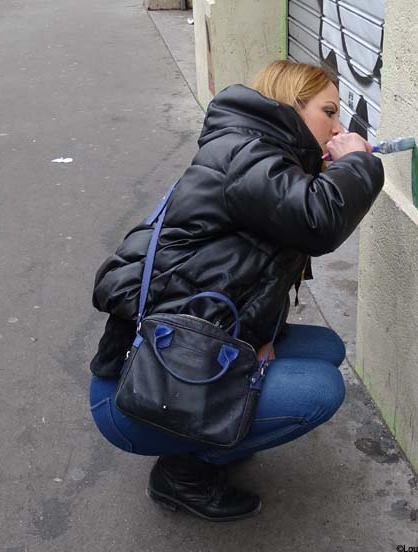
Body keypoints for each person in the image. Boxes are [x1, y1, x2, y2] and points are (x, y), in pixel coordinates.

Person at [89, 59, 384, 522]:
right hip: (134, 388)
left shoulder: (261, 153)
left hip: (170, 350)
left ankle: (216, 436)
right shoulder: (248, 157)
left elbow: (242, 277)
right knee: (321, 390)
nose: (337, 126)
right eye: (328, 112)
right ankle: (183, 474)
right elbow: (319, 219)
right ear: (293, 107)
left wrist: (259, 339)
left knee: (325, 348)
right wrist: (359, 163)